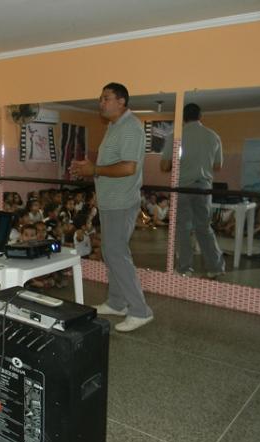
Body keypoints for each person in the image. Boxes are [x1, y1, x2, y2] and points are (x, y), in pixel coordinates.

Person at [70, 82, 153, 332]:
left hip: (121, 202)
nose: (101, 102)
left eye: (106, 98)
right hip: (109, 201)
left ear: (122, 102)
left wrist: (93, 169)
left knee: (117, 253)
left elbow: (129, 167)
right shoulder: (114, 126)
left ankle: (140, 310)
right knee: (111, 252)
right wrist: (92, 170)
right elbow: (110, 165)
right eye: (100, 98)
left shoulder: (131, 128)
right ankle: (118, 303)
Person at [160, 103, 225, 278]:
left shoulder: (176, 136)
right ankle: (215, 267)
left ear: (183, 117)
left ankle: (185, 269)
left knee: (183, 228)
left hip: (182, 188)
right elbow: (218, 165)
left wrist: (181, 163)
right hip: (204, 188)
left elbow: (165, 165)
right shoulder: (213, 136)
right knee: (204, 227)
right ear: (200, 116)